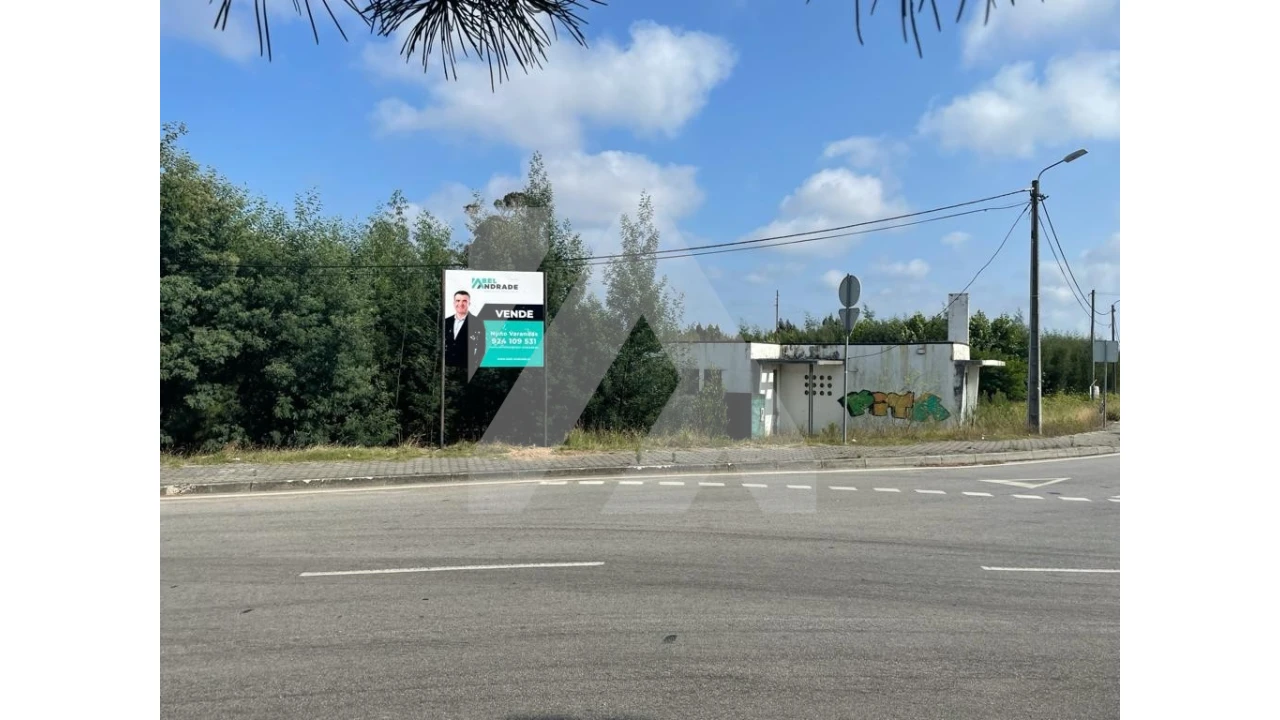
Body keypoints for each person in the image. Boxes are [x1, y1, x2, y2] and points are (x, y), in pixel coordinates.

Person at [444, 290, 486, 369]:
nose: (460, 304)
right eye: (458, 300)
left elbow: (481, 349)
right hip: (446, 369)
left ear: (469, 303)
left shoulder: (477, 323)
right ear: (454, 303)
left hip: (466, 369)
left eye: (464, 301)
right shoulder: (446, 322)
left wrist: (474, 366)